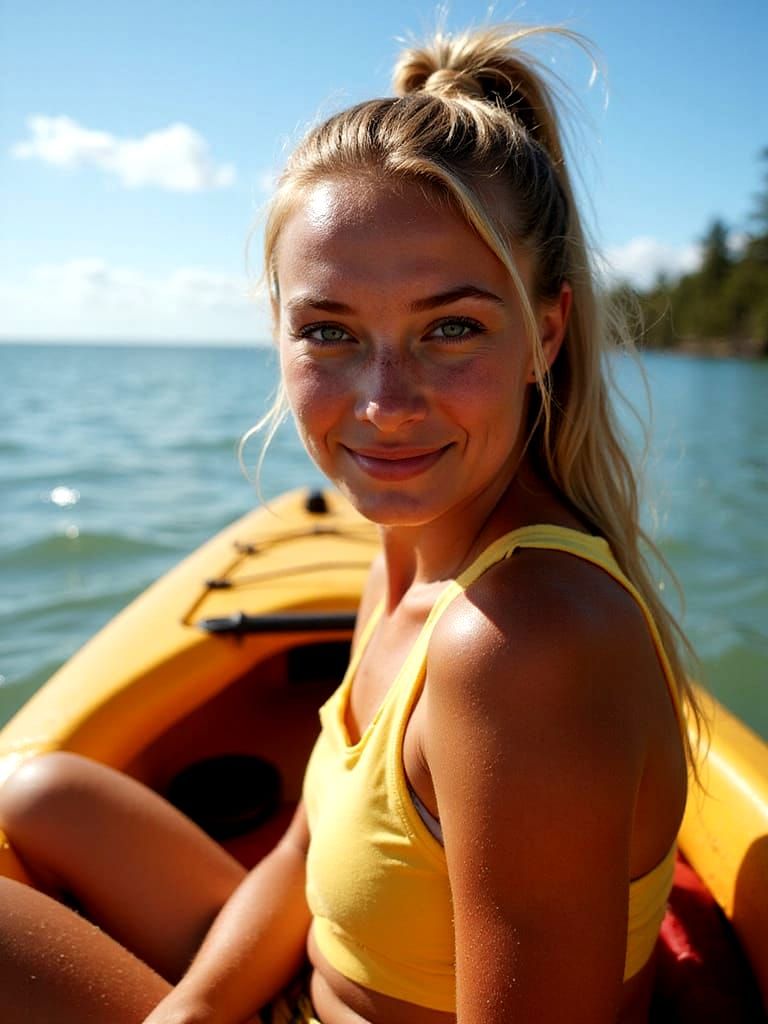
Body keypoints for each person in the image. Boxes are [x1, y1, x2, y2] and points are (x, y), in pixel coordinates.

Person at [0, 23, 701, 1024]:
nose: (383, 401)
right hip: (310, 984)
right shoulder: (410, 550)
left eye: (448, 327)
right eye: (330, 331)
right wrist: (190, 1012)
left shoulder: (523, 646)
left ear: (544, 332)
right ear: (280, 331)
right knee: (37, 792)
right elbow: (303, 846)